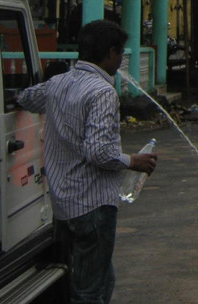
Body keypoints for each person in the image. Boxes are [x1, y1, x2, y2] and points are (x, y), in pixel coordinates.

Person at [16, 19, 158, 304]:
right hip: (93, 205)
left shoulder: (58, 83)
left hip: (65, 204)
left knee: (101, 278)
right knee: (89, 291)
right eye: (120, 54)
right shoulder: (102, 92)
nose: (120, 61)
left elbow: (25, 98)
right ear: (110, 53)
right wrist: (134, 161)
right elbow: (99, 153)